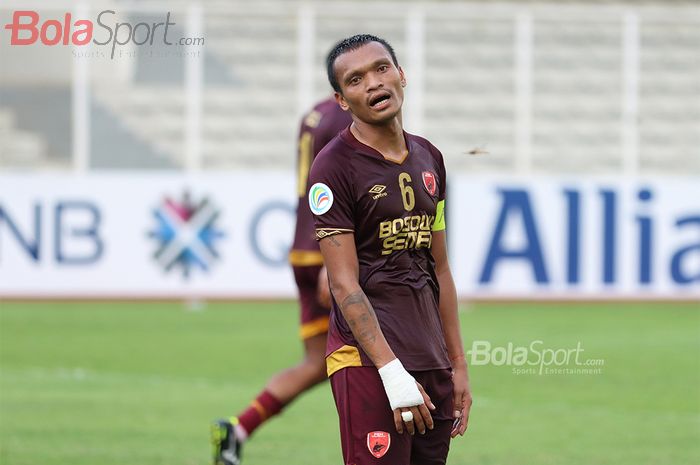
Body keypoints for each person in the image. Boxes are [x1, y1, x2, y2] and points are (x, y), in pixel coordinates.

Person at [307, 34, 472, 465]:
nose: (374, 84)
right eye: (356, 79)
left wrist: (458, 364)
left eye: (381, 69)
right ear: (342, 100)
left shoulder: (429, 158)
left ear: (401, 75)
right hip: (368, 361)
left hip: (431, 356)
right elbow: (344, 285)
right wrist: (390, 371)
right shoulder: (332, 166)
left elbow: (440, 269)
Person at [211, 96, 351, 465]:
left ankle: (237, 429)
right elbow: (339, 187)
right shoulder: (349, 117)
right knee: (380, 351)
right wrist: (333, 260)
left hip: (302, 246)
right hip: (330, 248)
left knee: (317, 362)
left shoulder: (315, 113)